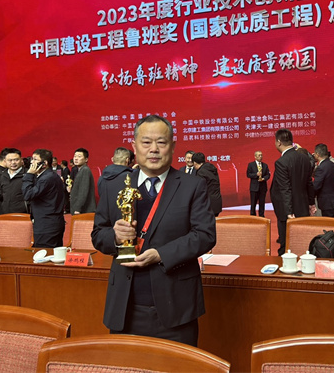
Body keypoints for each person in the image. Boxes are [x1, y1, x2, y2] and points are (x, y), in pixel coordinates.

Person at [92, 115, 215, 346]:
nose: (154, 149)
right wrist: (115, 236)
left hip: (175, 307)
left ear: (173, 146)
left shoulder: (192, 185)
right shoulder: (114, 186)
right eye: (146, 142)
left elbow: (205, 235)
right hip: (125, 307)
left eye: (161, 142)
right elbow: (98, 235)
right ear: (134, 146)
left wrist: (161, 254)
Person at [270, 129, 315, 255]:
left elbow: (285, 188)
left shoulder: (281, 162)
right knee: (302, 243)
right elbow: (309, 183)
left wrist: (289, 212)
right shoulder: (305, 158)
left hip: (288, 211)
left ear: (279, 142)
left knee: (286, 244)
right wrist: (311, 203)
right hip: (303, 207)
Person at [22, 149, 65, 248]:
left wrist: (29, 174)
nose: (31, 162)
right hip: (51, 222)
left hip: (47, 224)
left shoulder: (46, 178)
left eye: (35, 159)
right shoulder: (50, 175)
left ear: (44, 163)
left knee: (44, 253)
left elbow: (28, 195)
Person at [313, 143, 334, 218]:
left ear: (317, 154)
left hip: (327, 203)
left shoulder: (321, 168)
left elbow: (316, 186)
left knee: (328, 224)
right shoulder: (333, 164)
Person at [192, 152, 222, 217]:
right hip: (217, 202)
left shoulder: (201, 172)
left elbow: (200, 189)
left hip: (207, 204)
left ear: (195, 163)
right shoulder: (211, 168)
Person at [68, 148, 96, 215]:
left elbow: (83, 192)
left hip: (84, 211)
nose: (76, 158)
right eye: (75, 156)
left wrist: (78, 208)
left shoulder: (85, 170)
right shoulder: (80, 170)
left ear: (86, 159)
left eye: (79, 156)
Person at [1, 148, 28, 213]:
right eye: (10, 160)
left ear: (21, 160)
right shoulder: (3, 175)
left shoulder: (28, 175)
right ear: (5, 161)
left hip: (23, 213)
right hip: (6, 211)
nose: (13, 162)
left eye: (16, 160)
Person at [246, 150, 270, 217]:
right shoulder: (251, 165)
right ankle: (253, 216)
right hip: (254, 188)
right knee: (253, 203)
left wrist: (264, 178)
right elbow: (248, 174)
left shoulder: (265, 165)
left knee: (262, 203)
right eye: (259, 155)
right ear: (255, 157)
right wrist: (256, 174)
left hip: (263, 187)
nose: (261, 156)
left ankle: (261, 216)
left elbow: (268, 175)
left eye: (261, 155)